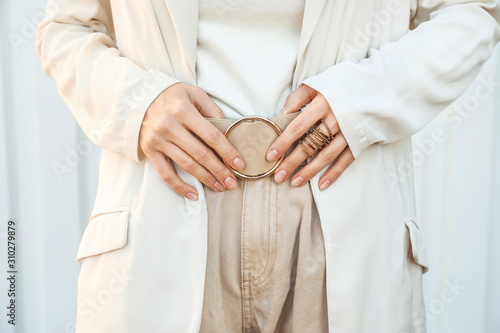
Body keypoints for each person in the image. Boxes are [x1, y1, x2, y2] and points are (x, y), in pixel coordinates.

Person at [35, 0, 499, 332]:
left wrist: (364, 98)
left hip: (334, 200)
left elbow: (472, 12)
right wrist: (138, 103)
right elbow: (65, 27)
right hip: (175, 198)